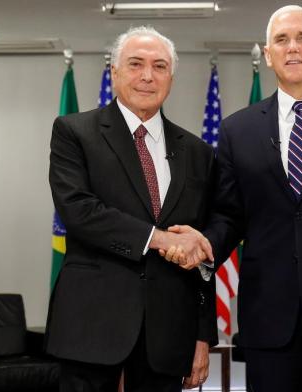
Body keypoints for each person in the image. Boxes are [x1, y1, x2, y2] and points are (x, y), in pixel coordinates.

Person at [165, 5, 302, 391]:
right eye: (281, 40)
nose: (292, 48)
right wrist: (205, 241)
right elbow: (230, 215)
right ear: (267, 54)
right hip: (269, 325)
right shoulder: (237, 130)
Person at [45, 26, 218, 392]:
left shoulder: (198, 152)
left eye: (159, 66)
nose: (147, 76)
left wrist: (202, 335)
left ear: (171, 76)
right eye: (136, 64)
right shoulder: (74, 132)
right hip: (91, 328)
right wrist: (157, 240)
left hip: (168, 334)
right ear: (115, 72)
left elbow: (199, 248)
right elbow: (79, 211)